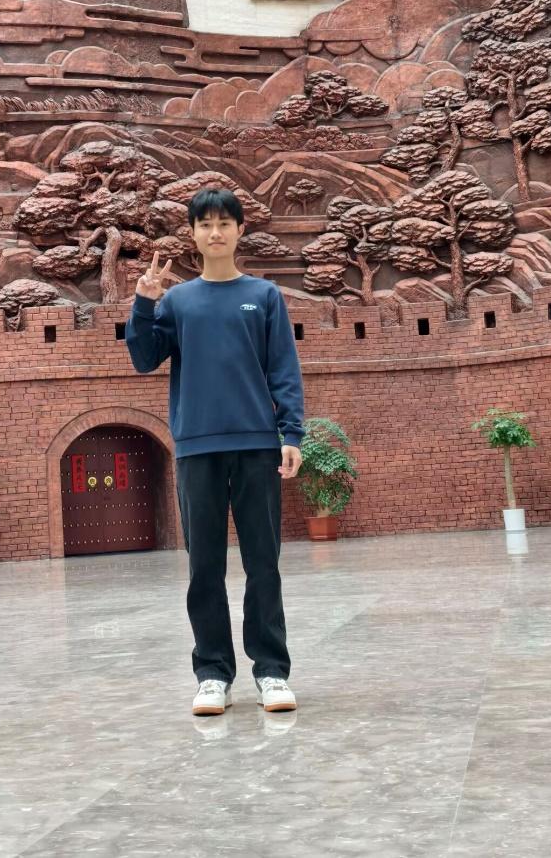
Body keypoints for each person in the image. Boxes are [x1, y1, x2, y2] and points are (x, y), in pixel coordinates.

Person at [125, 187, 305, 716]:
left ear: (240, 230)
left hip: (256, 445)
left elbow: (283, 369)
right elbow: (143, 358)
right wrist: (144, 303)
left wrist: (291, 434)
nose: (216, 232)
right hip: (197, 449)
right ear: (193, 234)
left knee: (263, 564)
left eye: (225, 223)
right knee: (204, 567)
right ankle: (212, 675)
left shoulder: (264, 296)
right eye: (205, 224)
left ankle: (271, 672)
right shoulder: (178, 301)